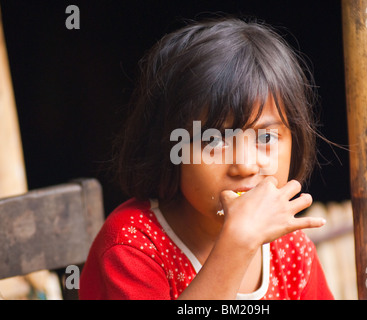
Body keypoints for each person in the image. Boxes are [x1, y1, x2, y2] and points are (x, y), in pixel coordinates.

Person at [79, 16, 334, 300]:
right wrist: (238, 244)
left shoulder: (291, 252)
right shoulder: (133, 246)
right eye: (214, 140)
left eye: (266, 138)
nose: (246, 166)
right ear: (170, 147)